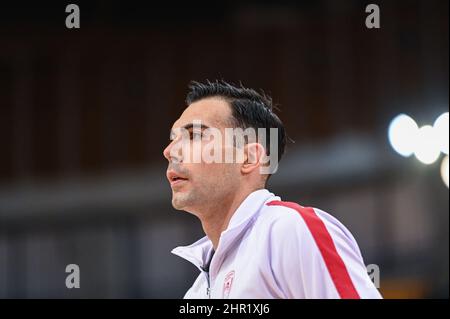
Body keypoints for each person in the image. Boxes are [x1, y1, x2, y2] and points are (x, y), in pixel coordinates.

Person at [163, 80, 382, 299]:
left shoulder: (291, 230)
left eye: (194, 135)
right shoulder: (197, 292)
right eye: (173, 139)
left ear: (248, 158)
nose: (169, 151)